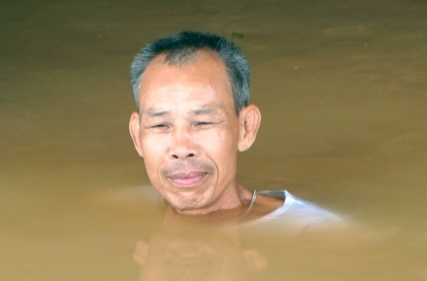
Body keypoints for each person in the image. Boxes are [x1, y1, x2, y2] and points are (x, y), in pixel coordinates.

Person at [127, 31, 341, 229]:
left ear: (246, 128)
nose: (182, 148)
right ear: (137, 136)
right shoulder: (126, 207)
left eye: (203, 122)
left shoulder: (311, 231)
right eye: (160, 125)